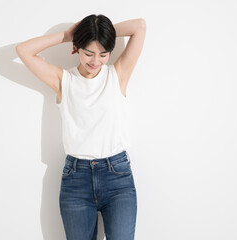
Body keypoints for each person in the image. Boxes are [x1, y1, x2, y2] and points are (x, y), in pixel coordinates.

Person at [16, 14, 146, 240]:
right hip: (76, 180)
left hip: (118, 177)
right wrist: (68, 35)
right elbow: (23, 51)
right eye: (89, 53)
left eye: (103, 54)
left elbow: (140, 26)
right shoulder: (63, 80)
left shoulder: (118, 74)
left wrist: (99, 32)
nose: (96, 61)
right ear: (77, 48)